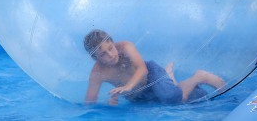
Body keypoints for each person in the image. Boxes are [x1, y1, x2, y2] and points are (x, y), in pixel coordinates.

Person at [83, 29, 225, 105]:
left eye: (111, 48)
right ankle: (170, 78)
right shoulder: (97, 73)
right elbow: (89, 104)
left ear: (113, 43)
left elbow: (142, 69)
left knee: (172, 97)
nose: (111, 54)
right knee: (197, 98)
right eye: (103, 54)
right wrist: (110, 103)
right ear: (95, 58)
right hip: (137, 93)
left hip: (151, 74)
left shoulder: (125, 47)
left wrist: (127, 87)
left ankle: (199, 77)